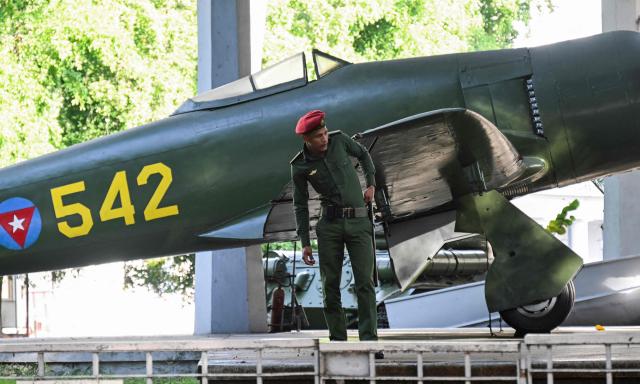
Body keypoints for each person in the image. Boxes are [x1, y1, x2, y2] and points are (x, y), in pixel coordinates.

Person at [290, 109, 378, 342]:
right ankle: (338, 342)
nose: (325, 139)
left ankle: (369, 342)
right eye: (319, 136)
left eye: (325, 133)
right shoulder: (300, 166)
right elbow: (300, 205)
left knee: (365, 284)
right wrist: (305, 243)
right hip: (329, 226)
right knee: (330, 287)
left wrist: (371, 184)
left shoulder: (340, 141)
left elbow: (364, 155)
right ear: (306, 139)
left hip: (359, 222)